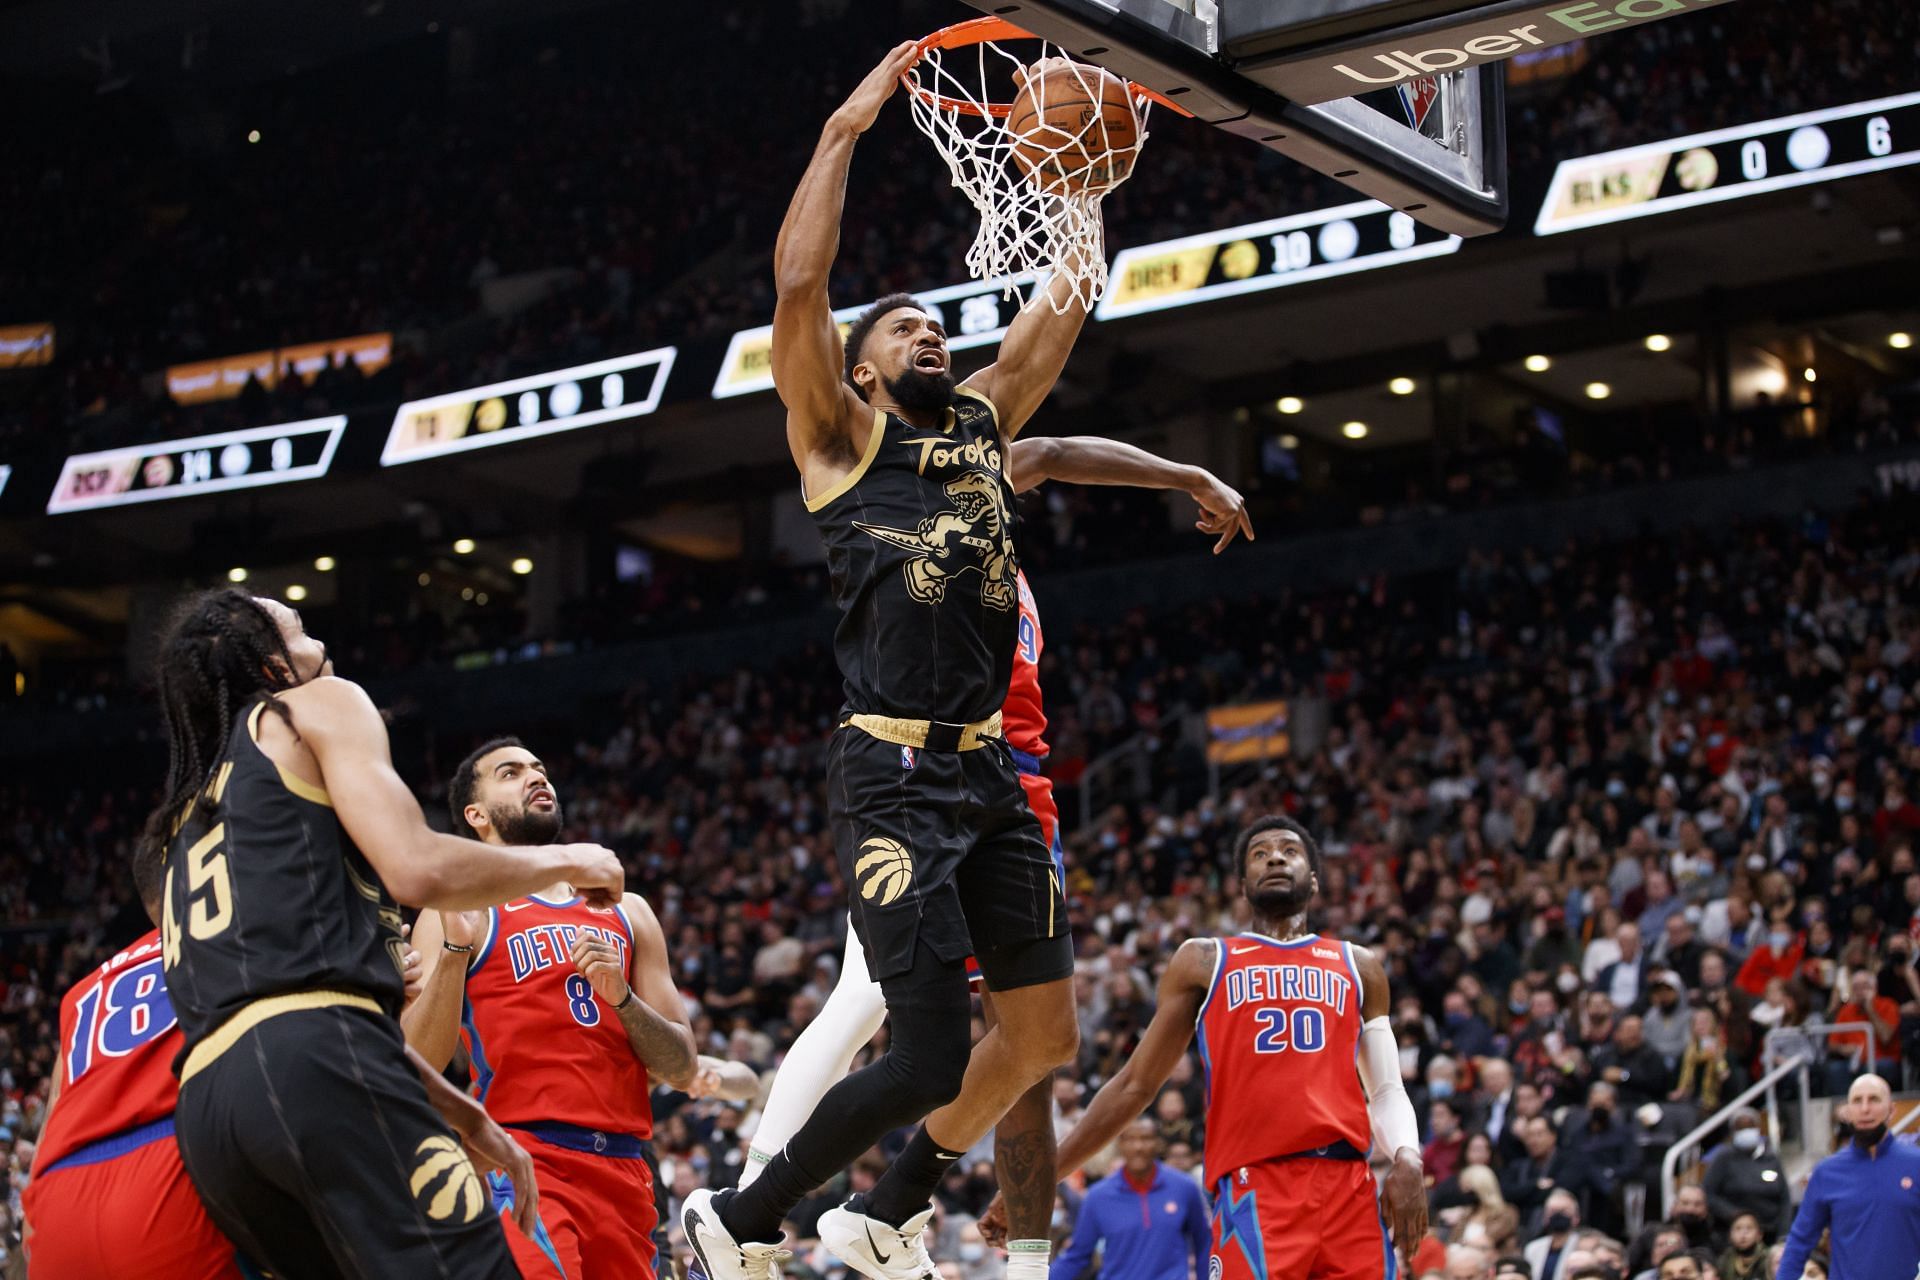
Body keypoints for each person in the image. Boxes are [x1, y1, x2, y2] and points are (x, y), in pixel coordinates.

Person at [685, 40, 1183, 1280]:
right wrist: (847, 128)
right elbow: (800, 284)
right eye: (903, 324)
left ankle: (887, 1202)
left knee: (1044, 1036)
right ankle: (741, 1216)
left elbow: (1059, 306)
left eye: (934, 321)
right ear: (861, 363)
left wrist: (1081, 180)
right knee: (916, 1052)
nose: (929, 331)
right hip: (894, 775)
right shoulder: (836, 435)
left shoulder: (981, 423)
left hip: (992, 775)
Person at [733, 433, 1249, 1274]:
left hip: (1013, 790)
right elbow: (1034, 441)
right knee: (871, 1002)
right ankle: (758, 1202)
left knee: (1036, 1042)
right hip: (939, 777)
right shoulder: (914, 501)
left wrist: (1185, 472)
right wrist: (1186, 472)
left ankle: (888, 1213)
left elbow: (1047, 449)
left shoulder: (993, 534)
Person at [140, 589, 624, 1275]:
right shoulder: (315, 705)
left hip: (212, 1115)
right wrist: (571, 859)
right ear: (274, 667)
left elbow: (280, 1007)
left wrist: (470, 1117)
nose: (322, 647)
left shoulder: (189, 815)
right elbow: (416, 866)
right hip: (315, 1067)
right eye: (300, 630)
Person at [985, 816, 1426, 1278]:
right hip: (1257, 1187)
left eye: (1289, 851)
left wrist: (1407, 1157)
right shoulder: (1205, 960)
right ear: (1241, 885)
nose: (1275, 856)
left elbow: (1387, 1089)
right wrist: (1038, 1180)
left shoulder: (1359, 965)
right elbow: (1135, 1085)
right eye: (1260, 853)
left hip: (1349, 1186)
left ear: (1315, 879)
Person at [403, 738, 700, 1279]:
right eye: (511, 773)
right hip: (523, 1159)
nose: (536, 777)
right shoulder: (461, 907)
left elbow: (682, 1067)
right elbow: (418, 1057)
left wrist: (623, 999)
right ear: (476, 815)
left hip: (627, 1170)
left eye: (539, 768)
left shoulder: (627, 910)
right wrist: (451, 954)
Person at [21, 863, 243, 1278]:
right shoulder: (227, 932)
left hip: (59, 1189)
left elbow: (51, 1122)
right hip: (166, 1165)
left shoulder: (83, 991)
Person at [1776, 1073, 1920, 1280]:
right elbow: (1800, 1241)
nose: (1865, 1109)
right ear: (1847, 1111)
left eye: (1874, 1099)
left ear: (1892, 1110)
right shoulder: (1826, 1172)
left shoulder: (1916, 1164)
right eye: (1857, 1101)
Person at [1047, 1118, 1210, 1280]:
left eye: (1146, 1138)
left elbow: (1203, 1243)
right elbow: (1076, 1256)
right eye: (1130, 1139)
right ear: (1120, 1144)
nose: (1138, 1147)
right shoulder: (1098, 1196)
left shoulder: (1184, 1187)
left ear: (1158, 1143)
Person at [1699, 1110, 1789, 1240]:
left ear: (1758, 1128)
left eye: (1750, 1127)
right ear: (1733, 1132)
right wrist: (1736, 1215)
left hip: (1770, 1230)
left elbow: (1784, 1197)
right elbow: (1709, 1193)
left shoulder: (1771, 1158)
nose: (1746, 1131)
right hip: (1732, 1232)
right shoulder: (1723, 1158)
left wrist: (1784, 1231)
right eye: (1740, 1128)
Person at [1523, 1188, 1581, 1280]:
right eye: (1553, 1211)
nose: (1558, 1215)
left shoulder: (1583, 1246)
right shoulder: (1533, 1248)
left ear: (1576, 1217)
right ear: (1545, 1217)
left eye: (1564, 1211)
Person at [1713, 1213, 1766, 1280]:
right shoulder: (1724, 1260)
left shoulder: (1767, 1259)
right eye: (1738, 1228)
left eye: (1749, 1228)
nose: (1743, 1234)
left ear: (1759, 1235)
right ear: (1730, 1235)